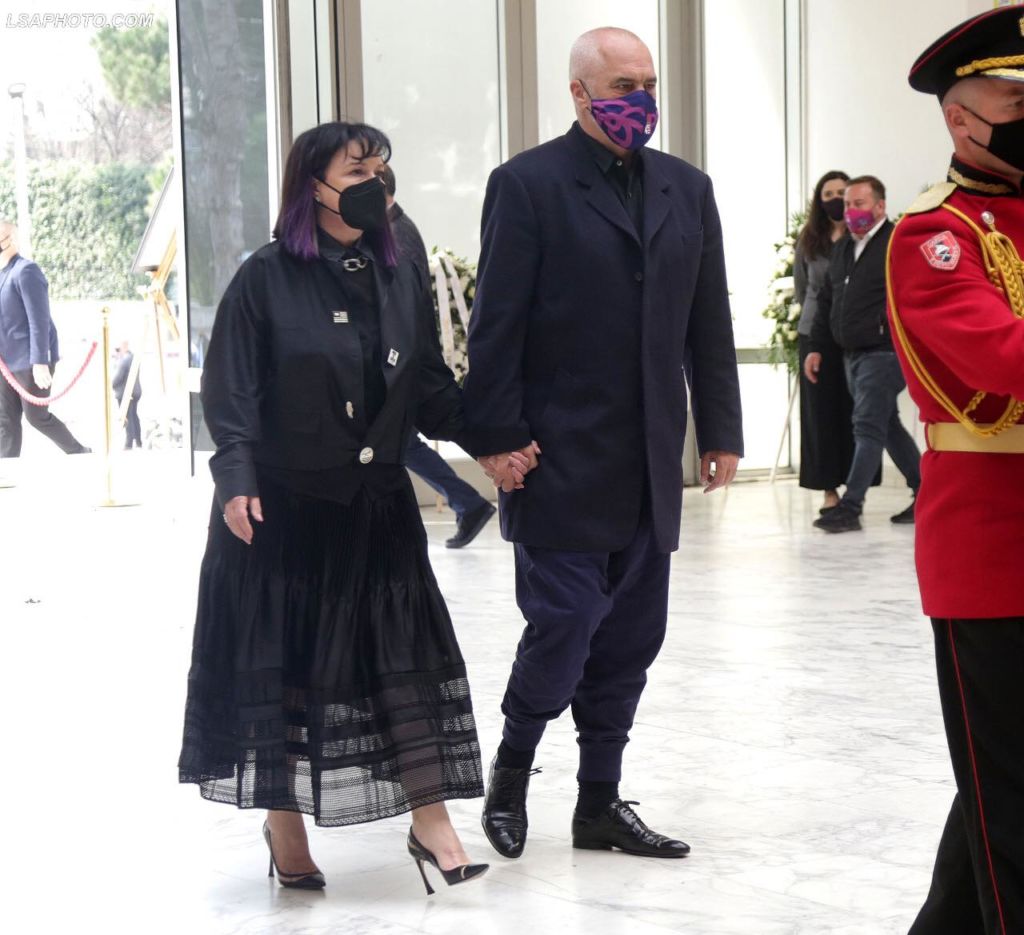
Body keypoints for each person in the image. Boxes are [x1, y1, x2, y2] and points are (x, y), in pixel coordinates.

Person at [177, 122, 525, 894]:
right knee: (285, 670)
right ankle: (284, 826)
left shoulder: (399, 268)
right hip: (283, 511)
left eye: (382, 168)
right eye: (358, 169)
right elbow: (232, 393)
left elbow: (427, 384)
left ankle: (432, 823)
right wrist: (235, 478)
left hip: (376, 507)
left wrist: (491, 442)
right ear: (314, 185)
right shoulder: (264, 278)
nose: (377, 183)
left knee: (404, 662)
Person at [463, 27, 743, 860]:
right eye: (624, 84)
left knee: (629, 641)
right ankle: (511, 773)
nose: (642, 99)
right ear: (579, 92)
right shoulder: (527, 184)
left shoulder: (687, 188)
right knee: (566, 623)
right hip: (556, 459)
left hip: (650, 462)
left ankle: (598, 803)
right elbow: (496, 325)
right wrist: (496, 438)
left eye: (649, 83)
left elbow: (709, 320)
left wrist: (721, 429)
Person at [888, 9, 1024, 932]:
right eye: (1018, 101)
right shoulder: (933, 235)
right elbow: (1002, 358)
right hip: (994, 549)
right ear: (961, 118)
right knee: (1011, 800)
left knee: (998, 780)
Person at [378, 164, 497, 548]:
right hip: (409, 365)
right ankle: (470, 502)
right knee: (407, 442)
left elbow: (403, 310)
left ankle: (475, 499)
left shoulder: (397, 233)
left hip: (409, 366)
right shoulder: (392, 229)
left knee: (411, 440)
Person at [804, 176, 921, 532]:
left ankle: (850, 506)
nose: (850, 210)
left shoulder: (897, 242)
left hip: (885, 352)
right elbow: (826, 301)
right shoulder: (844, 248)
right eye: (848, 205)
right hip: (850, 354)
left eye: (859, 203)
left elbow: (914, 295)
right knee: (887, 426)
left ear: (880, 206)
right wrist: (816, 347)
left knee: (867, 424)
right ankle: (926, 490)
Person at [794, 171, 857, 511]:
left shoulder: (861, 235)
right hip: (814, 334)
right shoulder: (809, 238)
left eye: (840, 193)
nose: (834, 199)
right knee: (820, 413)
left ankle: (855, 486)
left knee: (851, 411)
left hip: (851, 333)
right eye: (828, 194)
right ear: (820, 201)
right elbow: (802, 287)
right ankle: (828, 489)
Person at [0, 220, 90, 458]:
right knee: (6, 419)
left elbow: (38, 320)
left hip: (29, 359)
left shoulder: (26, 271)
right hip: (5, 363)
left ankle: (79, 452)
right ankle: (6, 470)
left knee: (36, 416)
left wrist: (40, 361)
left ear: (12, 239)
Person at [111, 340, 142, 450]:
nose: (117, 352)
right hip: (135, 391)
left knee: (127, 417)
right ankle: (138, 441)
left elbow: (118, 378)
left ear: (124, 347)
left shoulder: (124, 361)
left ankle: (129, 443)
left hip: (126, 393)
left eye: (118, 349)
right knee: (134, 416)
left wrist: (110, 385)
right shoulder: (133, 358)